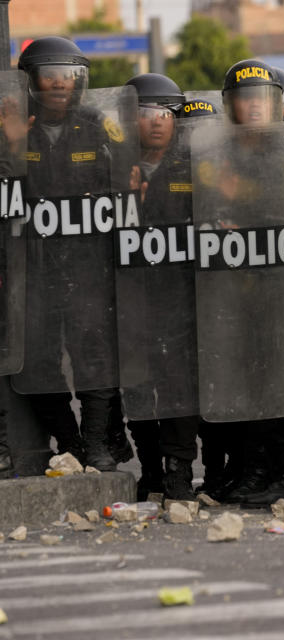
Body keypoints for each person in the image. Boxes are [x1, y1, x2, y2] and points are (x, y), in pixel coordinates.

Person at [208, 59, 284, 508]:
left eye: (261, 100)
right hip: (246, 288)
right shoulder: (221, 156)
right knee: (256, 380)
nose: (253, 109)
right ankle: (269, 473)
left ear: (279, 106)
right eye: (244, 101)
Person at [15, 36, 130, 471]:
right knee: (39, 361)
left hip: (88, 264)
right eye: (50, 75)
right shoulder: (13, 128)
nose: (60, 84)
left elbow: (130, 184)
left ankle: (98, 443)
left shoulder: (99, 126)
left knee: (94, 356)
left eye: (69, 75)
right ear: (30, 81)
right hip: (35, 266)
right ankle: (71, 444)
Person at [122, 72, 200, 500]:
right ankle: (149, 468)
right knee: (136, 383)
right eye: (147, 112)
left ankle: (178, 474)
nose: (157, 121)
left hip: (180, 296)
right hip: (131, 295)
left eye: (167, 112)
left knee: (178, 385)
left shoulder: (195, 165)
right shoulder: (111, 165)